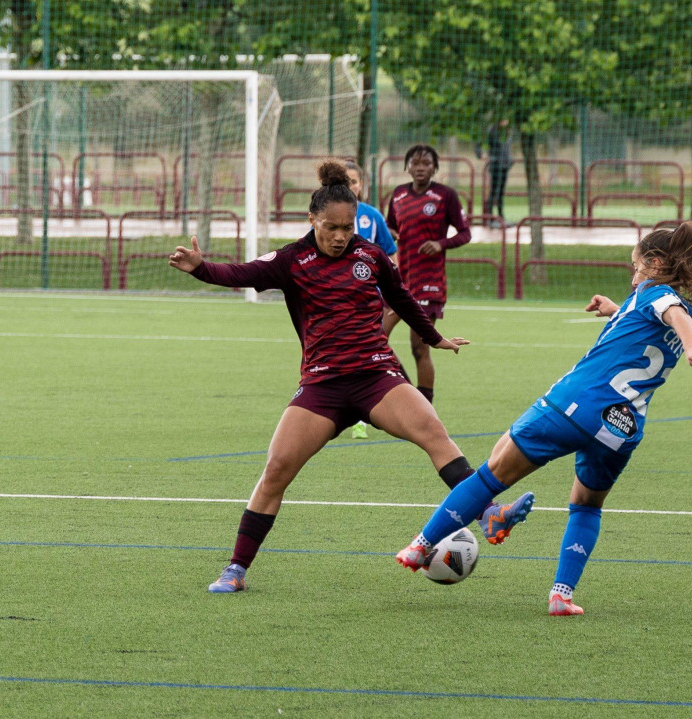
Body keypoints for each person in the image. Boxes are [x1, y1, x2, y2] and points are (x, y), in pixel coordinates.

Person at [168, 160, 535, 593]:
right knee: (276, 471)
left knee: (435, 434)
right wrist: (201, 267)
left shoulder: (370, 254)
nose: (341, 236)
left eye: (347, 227)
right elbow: (242, 273)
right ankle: (236, 569)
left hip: (377, 377)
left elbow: (402, 297)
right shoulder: (292, 259)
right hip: (322, 387)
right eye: (331, 227)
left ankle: (490, 512)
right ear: (312, 220)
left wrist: (433, 339)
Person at [397, 221, 692, 616]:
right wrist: (616, 313)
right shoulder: (686, 308)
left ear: (653, 264)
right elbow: (653, 328)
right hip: (622, 427)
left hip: (576, 406)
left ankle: (422, 545)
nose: (632, 274)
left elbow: (669, 313)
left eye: (635, 266)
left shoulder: (658, 294)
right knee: (586, 506)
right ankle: (561, 595)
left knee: (492, 471)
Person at [383, 144, 471, 406]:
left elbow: (465, 233)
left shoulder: (445, 196)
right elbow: (389, 226)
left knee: (419, 345)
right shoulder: (398, 195)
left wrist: (440, 244)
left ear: (435, 167)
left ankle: (424, 407)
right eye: (415, 163)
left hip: (429, 282)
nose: (420, 168)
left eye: (426, 163)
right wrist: (392, 234)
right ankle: (406, 392)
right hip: (399, 280)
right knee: (376, 336)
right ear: (407, 166)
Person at [344, 159, 398, 440]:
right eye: (344, 181)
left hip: (369, 302)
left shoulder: (371, 216)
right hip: (332, 301)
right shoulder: (323, 216)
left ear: (361, 185)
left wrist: (391, 287)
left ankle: (361, 417)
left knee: (365, 353)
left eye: (353, 181)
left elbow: (391, 254)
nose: (350, 186)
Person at [475, 118, 513, 226]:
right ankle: (490, 218)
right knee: (494, 192)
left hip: (505, 165)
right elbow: (478, 143)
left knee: (501, 192)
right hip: (496, 165)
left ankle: (501, 216)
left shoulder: (506, 132)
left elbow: (506, 148)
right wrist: (481, 155)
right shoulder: (491, 130)